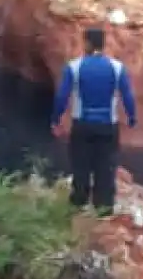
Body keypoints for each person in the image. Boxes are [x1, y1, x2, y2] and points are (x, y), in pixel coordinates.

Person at [51, 25, 138, 215]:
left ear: (87, 43)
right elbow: (128, 95)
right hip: (108, 126)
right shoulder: (117, 67)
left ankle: (79, 201)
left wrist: (56, 119)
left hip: (82, 125)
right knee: (106, 165)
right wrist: (132, 117)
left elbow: (62, 96)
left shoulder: (74, 67)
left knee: (80, 163)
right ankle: (104, 206)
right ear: (103, 44)